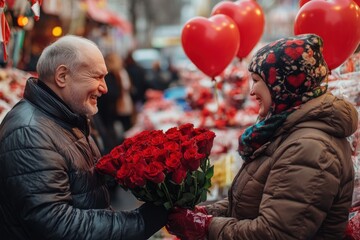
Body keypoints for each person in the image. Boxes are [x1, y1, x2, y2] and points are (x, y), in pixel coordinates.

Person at [166, 34, 358, 239]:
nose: (251, 91)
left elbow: (274, 233)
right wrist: (207, 213)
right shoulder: (288, 130)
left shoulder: (310, 147)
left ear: (283, 86)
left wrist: (207, 226)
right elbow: (252, 201)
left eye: (257, 81)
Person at [0, 35, 168, 239]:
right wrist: (142, 220)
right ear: (62, 76)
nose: (105, 88)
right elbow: (56, 225)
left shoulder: (66, 118)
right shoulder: (29, 133)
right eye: (97, 77)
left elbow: (82, 184)